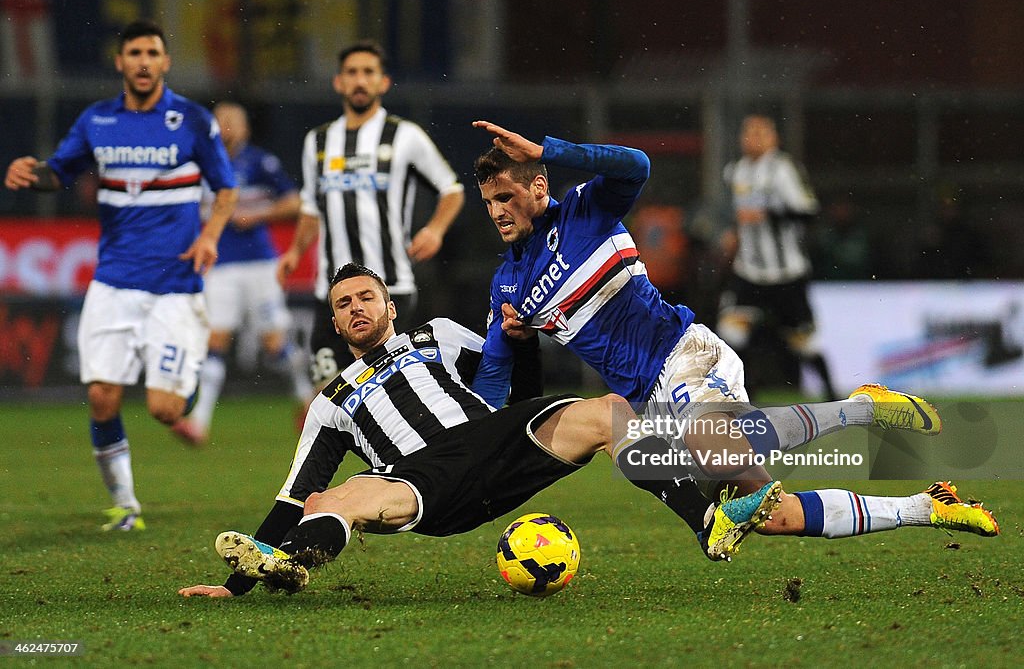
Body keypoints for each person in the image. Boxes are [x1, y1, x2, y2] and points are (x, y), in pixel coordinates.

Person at [177, 264, 998, 598]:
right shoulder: (332, 399)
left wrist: (522, 342)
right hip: (425, 482)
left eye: (367, 297)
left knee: (611, 414)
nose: (356, 309)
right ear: (334, 323)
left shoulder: (446, 339)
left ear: (391, 304)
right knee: (338, 494)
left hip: (501, 440)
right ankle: (287, 570)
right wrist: (235, 580)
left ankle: (920, 500)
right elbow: (292, 491)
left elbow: (516, 388)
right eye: (342, 304)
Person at [468, 121, 993, 561]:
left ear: (539, 187)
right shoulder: (507, 286)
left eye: (506, 196)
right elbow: (495, 373)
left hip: (686, 355)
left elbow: (636, 165)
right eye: (488, 201)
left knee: (711, 454)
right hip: (646, 400)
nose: (496, 211)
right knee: (776, 515)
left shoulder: (585, 211)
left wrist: (549, 151)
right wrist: (478, 434)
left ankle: (761, 486)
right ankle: (923, 503)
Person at [3, 20, 238, 531]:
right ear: (120, 62)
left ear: (165, 62)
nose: (144, 61)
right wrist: (32, 172)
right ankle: (126, 505)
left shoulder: (192, 120)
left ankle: (188, 378)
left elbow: (226, 189)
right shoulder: (97, 121)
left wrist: (210, 235)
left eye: (153, 52)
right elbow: (58, 172)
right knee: (102, 395)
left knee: (166, 409)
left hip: (174, 285)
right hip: (114, 281)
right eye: (135, 52)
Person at [277, 39, 465, 392]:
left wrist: (436, 230)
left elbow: (451, 188)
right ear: (339, 82)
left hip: (388, 287)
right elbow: (309, 208)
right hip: (330, 293)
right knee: (326, 395)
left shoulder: (404, 136)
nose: (359, 80)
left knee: (388, 395)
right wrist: (296, 252)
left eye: (368, 73)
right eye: (352, 73)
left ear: (383, 82)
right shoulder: (317, 142)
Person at [171, 101, 313, 445]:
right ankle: (199, 422)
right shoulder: (199, 164)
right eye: (221, 121)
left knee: (275, 344)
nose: (228, 126)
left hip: (259, 265)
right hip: (218, 265)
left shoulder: (260, 163)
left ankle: (307, 398)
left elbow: (295, 201)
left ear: (246, 129)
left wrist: (258, 215)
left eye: (234, 120)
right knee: (215, 340)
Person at [718, 113, 838, 399]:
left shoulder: (783, 169)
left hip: (787, 274)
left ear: (774, 138)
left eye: (760, 133)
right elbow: (737, 214)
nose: (752, 138)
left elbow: (809, 211)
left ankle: (831, 394)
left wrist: (769, 214)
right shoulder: (736, 171)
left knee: (804, 343)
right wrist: (732, 233)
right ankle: (746, 396)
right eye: (748, 132)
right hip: (749, 272)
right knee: (730, 332)